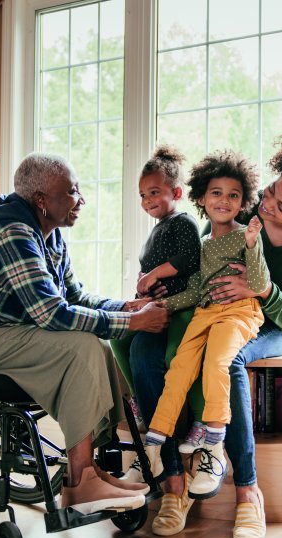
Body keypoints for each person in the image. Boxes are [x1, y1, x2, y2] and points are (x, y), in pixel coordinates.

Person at [132, 129, 282, 538]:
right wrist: (158, 292)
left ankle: (247, 493)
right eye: (270, 191)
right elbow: (201, 263)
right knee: (146, 351)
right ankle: (173, 484)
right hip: (214, 311)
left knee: (231, 359)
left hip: (271, 327)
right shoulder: (244, 210)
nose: (267, 204)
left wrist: (261, 289)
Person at [0, 152, 170, 515]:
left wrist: (125, 307)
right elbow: (49, 312)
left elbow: (76, 296)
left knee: (96, 345)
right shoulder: (12, 232)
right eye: (71, 192)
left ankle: (91, 471)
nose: (80, 199)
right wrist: (134, 323)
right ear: (41, 200)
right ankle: (81, 479)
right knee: (79, 347)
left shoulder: (49, 237)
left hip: (1, 334)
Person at [135, 149, 268, 508]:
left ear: (243, 202)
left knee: (217, 363)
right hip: (206, 312)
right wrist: (159, 304)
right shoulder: (205, 242)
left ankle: (214, 443)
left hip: (239, 313)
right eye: (216, 193)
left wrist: (254, 244)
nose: (224, 201)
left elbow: (257, 283)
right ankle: (155, 443)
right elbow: (196, 289)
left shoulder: (246, 236)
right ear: (200, 198)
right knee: (179, 367)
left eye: (233, 195)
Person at [109, 145, 201, 432]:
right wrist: (142, 289)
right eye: (142, 195)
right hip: (153, 306)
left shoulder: (182, 223)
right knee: (117, 337)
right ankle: (139, 401)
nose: (147, 200)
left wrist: (153, 276)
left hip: (176, 310)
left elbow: (189, 257)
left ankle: (159, 427)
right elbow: (148, 273)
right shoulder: (157, 228)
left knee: (143, 351)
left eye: (153, 192)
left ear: (175, 193)